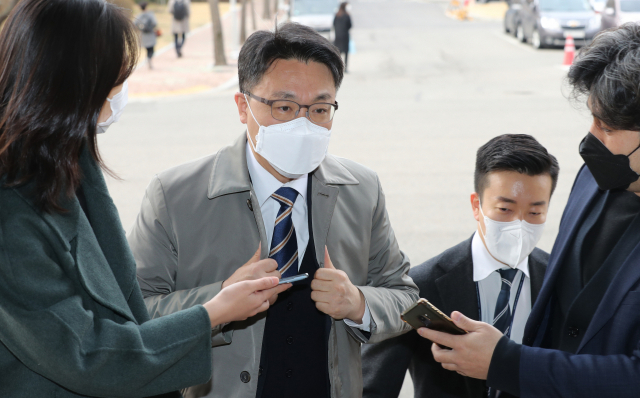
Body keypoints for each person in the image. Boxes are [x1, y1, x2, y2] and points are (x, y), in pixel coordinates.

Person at [0, 1, 289, 396]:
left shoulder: (63, 156)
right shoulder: (10, 214)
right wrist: (215, 312)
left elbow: (123, 301)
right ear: (71, 85)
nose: (120, 95)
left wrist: (219, 300)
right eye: (114, 81)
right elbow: (87, 353)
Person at [128, 22, 419, 398]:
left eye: (319, 108)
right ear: (242, 106)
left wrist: (358, 303)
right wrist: (217, 302)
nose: (303, 124)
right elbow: (132, 314)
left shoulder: (361, 190)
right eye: (284, 107)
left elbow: (405, 297)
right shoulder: (175, 195)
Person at [421, 23, 640, 398]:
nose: (590, 139)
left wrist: (508, 363)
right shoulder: (593, 176)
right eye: (591, 117)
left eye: (606, 127)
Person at [362, 134, 558, 398]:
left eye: (534, 213)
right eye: (504, 209)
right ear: (477, 206)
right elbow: (371, 387)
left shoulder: (562, 282)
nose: (519, 225)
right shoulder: (419, 287)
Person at [135, 2, 158, 69]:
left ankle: (148, 58)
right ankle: (149, 58)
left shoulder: (139, 15)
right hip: (150, 33)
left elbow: (135, 23)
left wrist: (140, 28)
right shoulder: (150, 14)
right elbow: (155, 23)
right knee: (151, 49)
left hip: (143, 34)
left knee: (147, 49)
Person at [333, 2, 352, 72]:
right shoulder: (347, 15)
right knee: (346, 52)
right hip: (345, 36)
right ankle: (345, 68)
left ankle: (338, 67)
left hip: (337, 36)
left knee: (338, 53)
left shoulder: (337, 15)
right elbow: (350, 25)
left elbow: (333, 24)